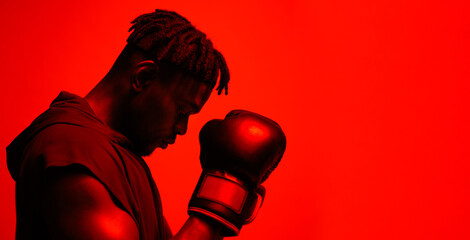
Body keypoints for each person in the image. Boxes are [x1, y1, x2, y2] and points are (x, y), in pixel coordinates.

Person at [6, 9, 286, 240]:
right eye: (181, 111)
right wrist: (216, 209)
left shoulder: (119, 157)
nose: (183, 128)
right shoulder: (71, 151)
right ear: (143, 77)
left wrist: (221, 199)